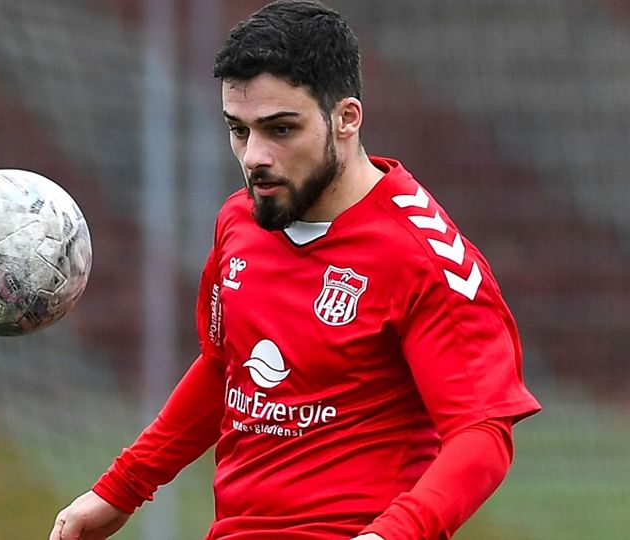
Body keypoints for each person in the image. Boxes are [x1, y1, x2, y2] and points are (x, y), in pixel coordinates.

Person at [50, 1, 541, 538]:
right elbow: (224, 368)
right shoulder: (239, 220)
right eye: (238, 131)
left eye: (280, 129)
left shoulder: (422, 256)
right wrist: (119, 489)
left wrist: (392, 534)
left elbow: (481, 430)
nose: (254, 156)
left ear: (346, 119)